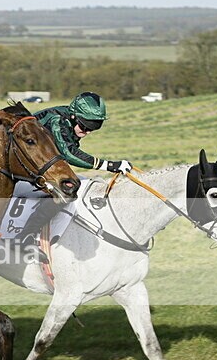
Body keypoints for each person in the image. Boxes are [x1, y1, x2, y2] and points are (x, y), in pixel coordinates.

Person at [16, 91, 133, 251]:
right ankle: (26, 237)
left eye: (94, 127)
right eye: (84, 125)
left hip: (36, 169)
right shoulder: (58, 120)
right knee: (67, 189)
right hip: (19, 174)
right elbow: (68, 152)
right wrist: (109, 165)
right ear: (73, 116)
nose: (87, 131)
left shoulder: (68, 120)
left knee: (84, 183)